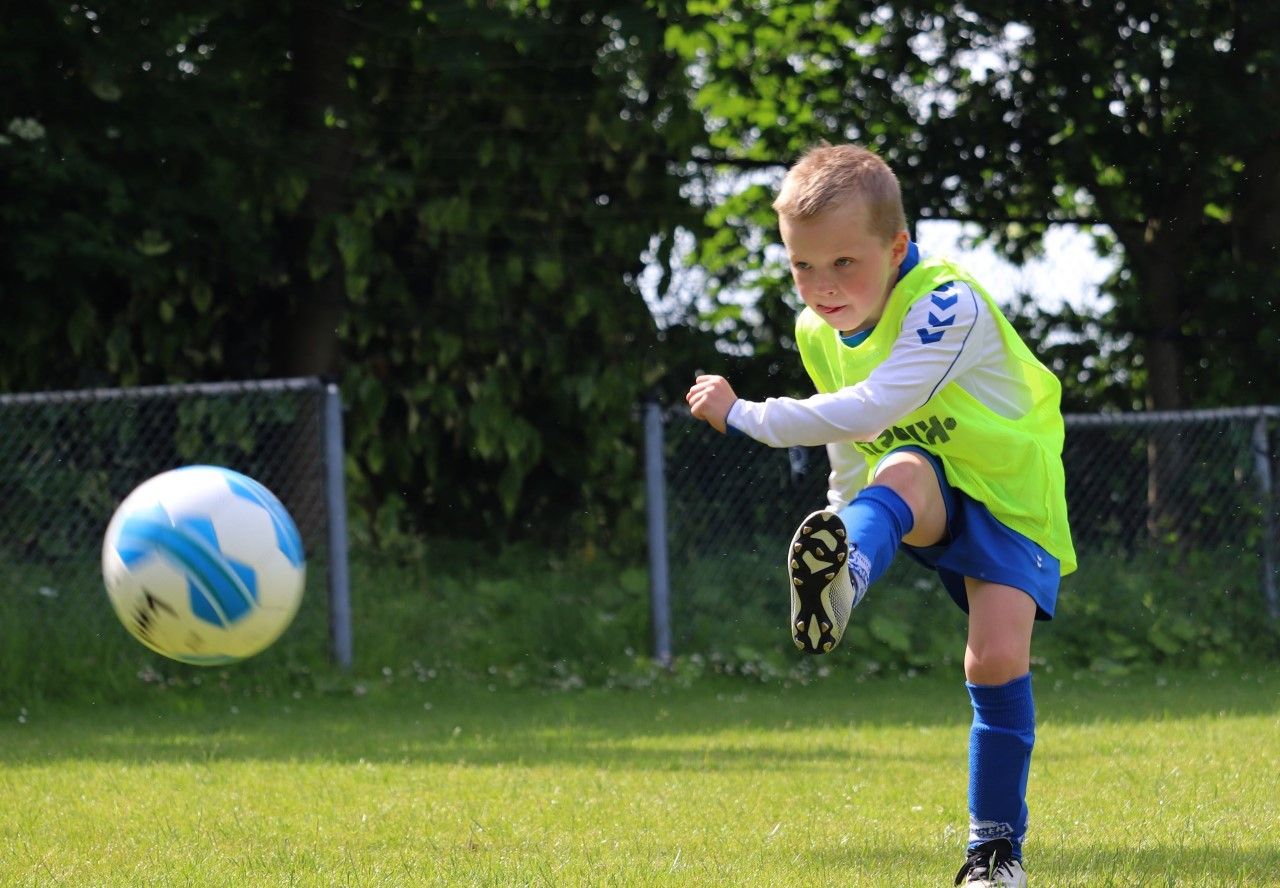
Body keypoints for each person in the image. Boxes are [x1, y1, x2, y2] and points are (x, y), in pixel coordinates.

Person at [685, 143, 1076, 888]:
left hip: (1011, 489)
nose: (822, 287)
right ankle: (849, 573)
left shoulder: (943, 302)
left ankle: (995, 855)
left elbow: (879, 404)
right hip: (921, 481)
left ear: (896, 246)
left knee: (993, 659)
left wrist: (745, 415)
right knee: (901, 469)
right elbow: (853, 440)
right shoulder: (818, 332)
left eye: (843, 263)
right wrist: (839, 522)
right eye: (802, 266)